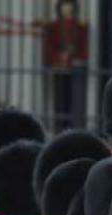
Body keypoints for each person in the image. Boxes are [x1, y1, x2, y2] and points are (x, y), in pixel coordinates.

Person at [41, 0, 88, 131]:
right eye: (64, 6)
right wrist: (57, 58)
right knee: (59, 100)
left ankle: (72, 127)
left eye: (69, 5)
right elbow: (49, 47)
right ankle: (59, 126)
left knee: (74, 100)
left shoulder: (79, 27)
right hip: (59, 67)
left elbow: (83, 49)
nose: (66, 8)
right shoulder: (54, 26)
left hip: (74, 69)